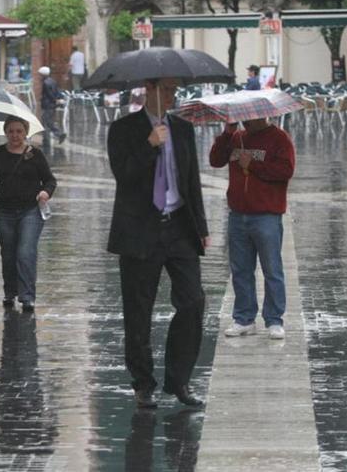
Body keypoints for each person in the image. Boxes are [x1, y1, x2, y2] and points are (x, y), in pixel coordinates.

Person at [106, 77, 209, 409]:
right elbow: (124, 175)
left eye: (174, 89)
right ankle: (143, 383)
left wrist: (202, 227)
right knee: (138, 312)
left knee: (192, 302)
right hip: (140, 230)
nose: (172, 94)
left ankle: (179, 380)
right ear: (148, 90)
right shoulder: (122, 129)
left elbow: (192, 180)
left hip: (179, 226)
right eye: (165, 89)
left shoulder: (182, 128)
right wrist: (148, 145)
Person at [209, 118, 295, 340]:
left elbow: (285, 171)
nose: (246, 121)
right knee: (241, 270)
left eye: (250, 117)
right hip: (238, 215)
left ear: (262, 115)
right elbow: (215, 160)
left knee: (272, 269)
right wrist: (227, 133)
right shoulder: (237, 138)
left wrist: (253, 165)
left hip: (266, 215)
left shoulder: (279, 139)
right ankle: (244, 318)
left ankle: (274, 320)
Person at [0, 115, 57, 312]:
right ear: (5, 132)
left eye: (19, 131)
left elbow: (50, 180)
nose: (15, 135)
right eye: (11, 131)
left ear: (26, 132)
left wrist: (45, 192)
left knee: (25, 252)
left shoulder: (35, 154)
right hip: (5, 212)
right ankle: (10, 292)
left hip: (31, 211)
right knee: (8, 254)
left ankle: (27, 296)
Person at [39, 66, 66, 144]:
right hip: (52, 105)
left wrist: (55, 100)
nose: (39, 76)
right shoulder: (52, 81)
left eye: (40, 74)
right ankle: (48, 139)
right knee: (47, 122)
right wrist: (59, 99)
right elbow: (57, 91)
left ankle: (56, 135)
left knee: (46, 122)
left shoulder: (45, 83)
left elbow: (49, 94)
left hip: (48, 105)